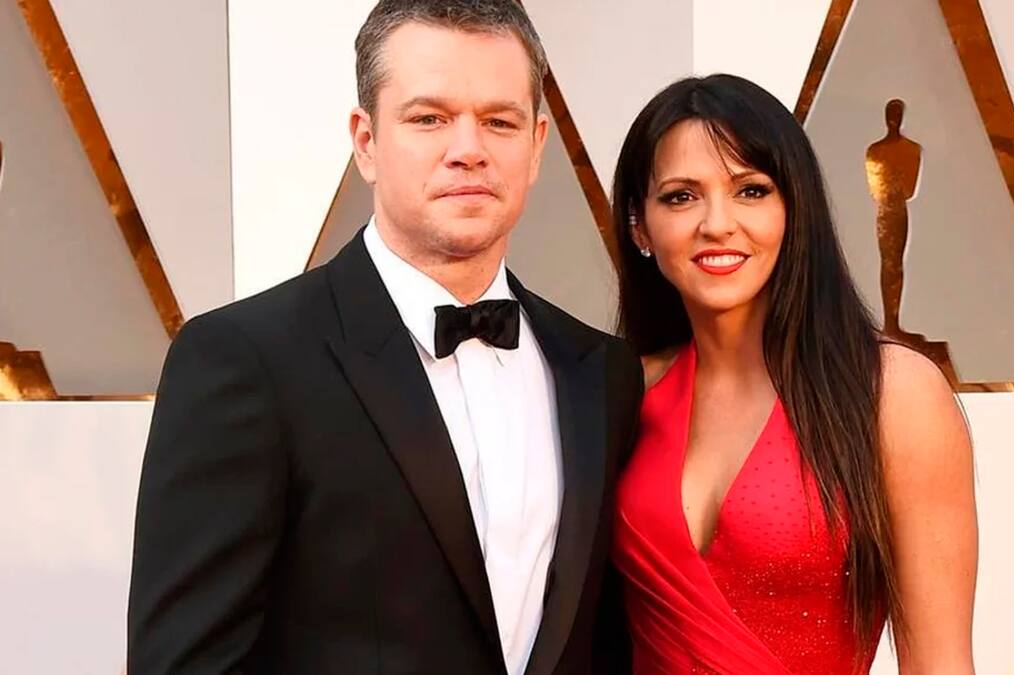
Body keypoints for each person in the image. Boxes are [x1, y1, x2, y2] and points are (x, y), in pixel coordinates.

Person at [126, 1, 642, 673]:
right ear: (366, 141)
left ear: (537, 143)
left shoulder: (599, 371)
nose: (469, 150)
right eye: (429, 118)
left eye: (499, 121)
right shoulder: (245, 360)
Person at [609, 75, 978, 674]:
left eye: (751, 190)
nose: (717, 223)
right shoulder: (620, 391)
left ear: (794, 209)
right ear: (638, 226)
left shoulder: (892, 393)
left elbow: (940, 664)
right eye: (681, 197)